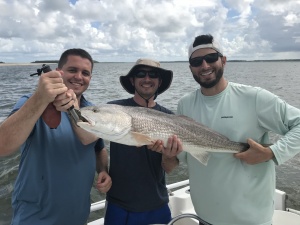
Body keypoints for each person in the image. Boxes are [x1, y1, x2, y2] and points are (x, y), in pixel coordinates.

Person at [172, 34, 300, 225]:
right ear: (191, 67)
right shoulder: (185, 105)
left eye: (211, 58)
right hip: (206, 218)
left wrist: (271, 153)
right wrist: (168, 153)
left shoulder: (254, 98)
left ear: (223, 60)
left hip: (252, 220)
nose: (205, 66)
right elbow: (183, 156)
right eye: (197, 61)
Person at [0, 48, 112, 225]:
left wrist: (103, 170)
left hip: (78, 215)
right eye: (72, 70)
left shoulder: (92, 110)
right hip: (35, 218)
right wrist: (40, 98)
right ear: (58, 72)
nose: (78, 77)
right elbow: (3, 145)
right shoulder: (31, 102)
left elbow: (98, 148)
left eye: (85, 73)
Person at [101, 58, 182, 225]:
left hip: (156, 204)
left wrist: (168, 156)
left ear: (159, 82)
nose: (147, 79)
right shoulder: (115, 110)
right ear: (132, 80)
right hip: (118, 204)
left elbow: (170, 168)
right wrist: (101, 170)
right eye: (140, 74)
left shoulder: (170, 118)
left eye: (153, 74)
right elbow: (93, 142)